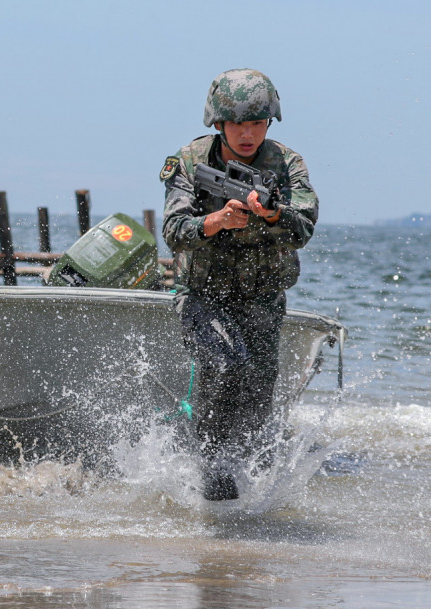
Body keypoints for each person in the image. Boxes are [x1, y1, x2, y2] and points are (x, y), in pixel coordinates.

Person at [160, 69, 318, 500]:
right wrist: (217, 220)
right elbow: (174, 228)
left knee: (258, 394)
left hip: (263, 297)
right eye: (237, 124)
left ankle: (243, 488)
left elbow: (304, 225)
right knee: (226, 366)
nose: (247, 134)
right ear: (218, 122)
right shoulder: (190, 161)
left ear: (270, 122)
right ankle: (205, 468)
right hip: (203, 295)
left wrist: (272, 215)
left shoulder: (287, 163)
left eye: (257, 124)